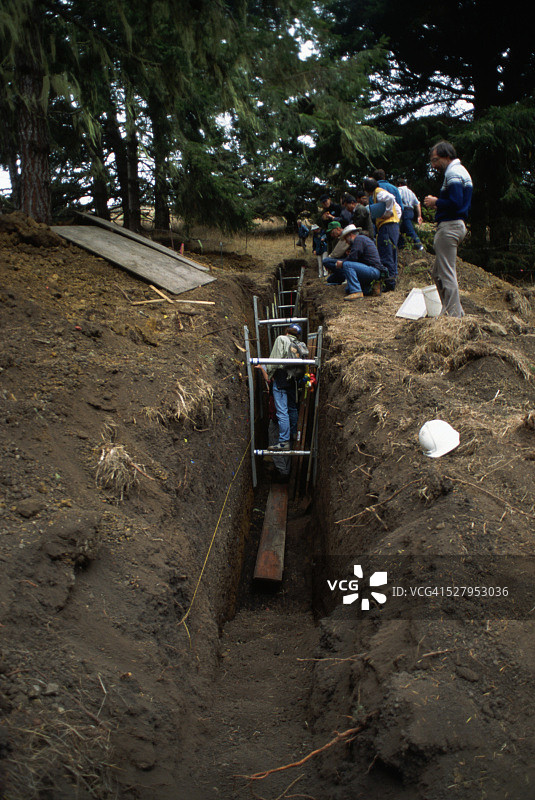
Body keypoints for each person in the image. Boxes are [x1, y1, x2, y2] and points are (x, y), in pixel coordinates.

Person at [423, 141, 473, 318]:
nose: (434, 165)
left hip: (450, 226)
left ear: (446, 156)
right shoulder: (461, 172)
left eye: (435, 160)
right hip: (454, 224)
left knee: (446, 273)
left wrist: (436, 202)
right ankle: (451, 310)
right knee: (438, 273)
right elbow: (456, 203)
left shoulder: (453, 172)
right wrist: (441, 205)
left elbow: (456, 203)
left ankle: (454, 317)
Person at [255, 324, 307, 452]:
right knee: (292, 408)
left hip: (281, 379)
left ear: (287, 331)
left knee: (282, 411)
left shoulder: (281, 339)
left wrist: (270, 375)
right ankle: (294, 433)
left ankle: (284, 442)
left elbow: (274, 360)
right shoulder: (300, 344)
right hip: (293, 380)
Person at [363, 177, 401, 291]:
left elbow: (390, 199)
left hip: (387, 226)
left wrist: (388, 213)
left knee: (386, 253)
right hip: (393, 225)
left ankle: (389, 283)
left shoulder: (378, 193)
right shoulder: (378, 193)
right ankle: (392, 279)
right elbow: (398, 208)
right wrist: (395, 217)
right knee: (392, 252)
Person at [336, 224, 385, 300]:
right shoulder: (362, 239)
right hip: (372, 270)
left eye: (346, 239)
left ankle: (357, 292)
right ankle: (371, 288)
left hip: (373, 270)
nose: (346, 242)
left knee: (347, 264)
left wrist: (342, 263)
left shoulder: (359, 239)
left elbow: (353, 257)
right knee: (347, 289)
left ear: (351, 235)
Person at [396, 177, 424, 251]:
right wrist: (419, 216)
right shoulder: (411, 192)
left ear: (399, 184)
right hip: (411, 211)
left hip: (404, 211)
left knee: (409, 230)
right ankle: (401, 245)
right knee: (402, 229)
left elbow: (398, 200)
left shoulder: (399, 190)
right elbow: (418, 204)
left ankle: (419, 244)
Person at [323, 220, 350, 284]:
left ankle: (346, 275)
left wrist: (329, 259)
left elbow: (336, 253)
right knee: (330, 280)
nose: (331, 235)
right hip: (345, 261)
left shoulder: (344, 236)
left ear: (338, 229)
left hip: (348, 262)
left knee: (326, 261)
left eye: (332, 232)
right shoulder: (337, 239)